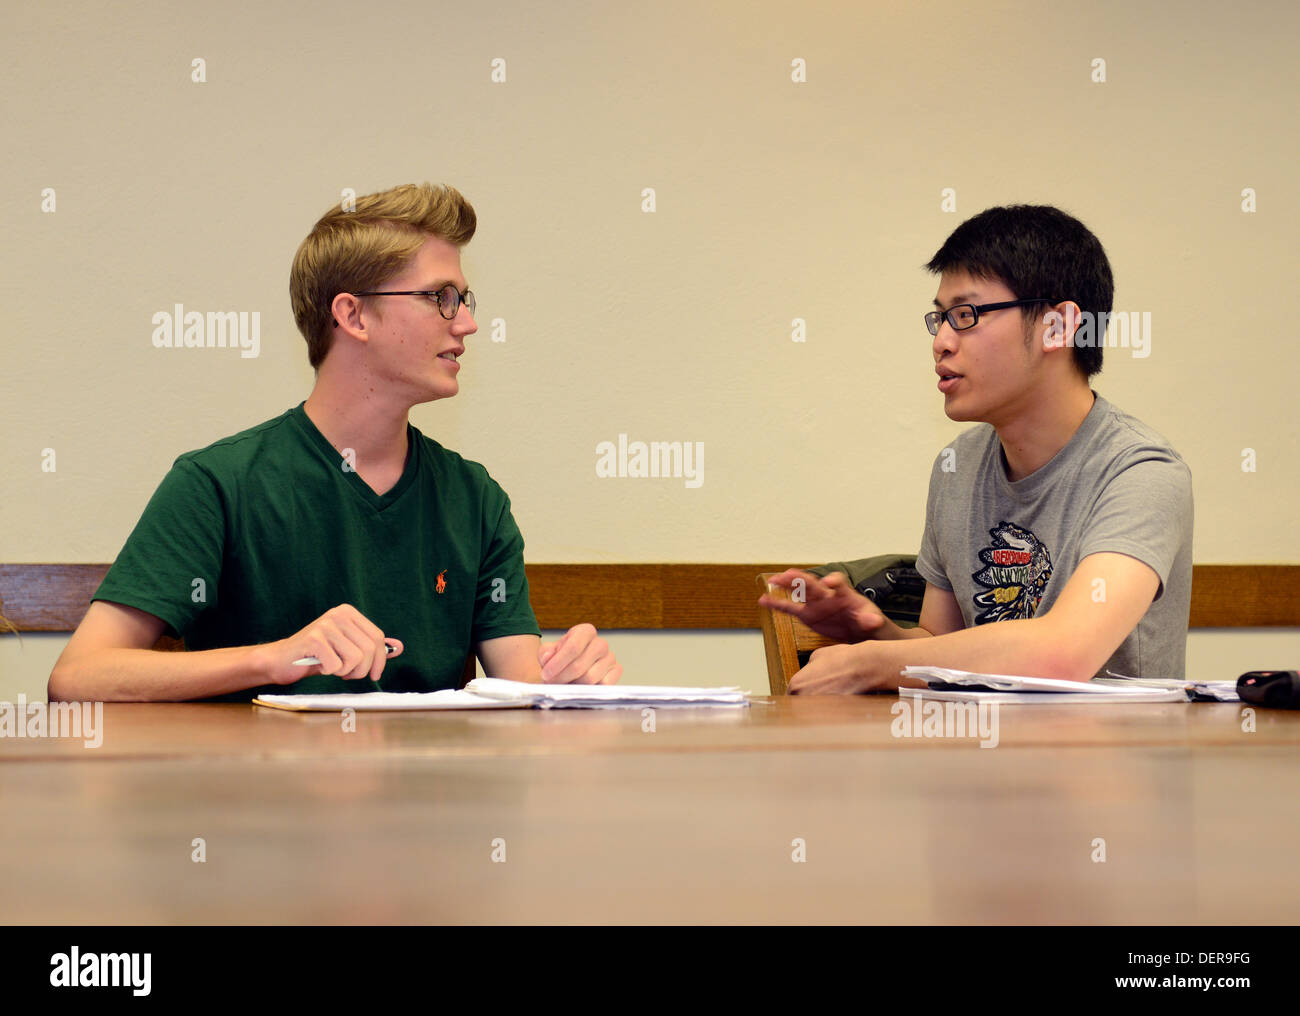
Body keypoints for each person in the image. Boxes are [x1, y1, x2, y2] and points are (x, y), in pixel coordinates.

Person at [49, 183, 621, 702]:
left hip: (435, 809)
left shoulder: (475, 498)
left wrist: (566, 678)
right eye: (440, 297)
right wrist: (273, 658)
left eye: (464, 300)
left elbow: (519, 685)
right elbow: (78, 676)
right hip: (257, 806)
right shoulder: (219, 483)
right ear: (353, 315)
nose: (465, 323)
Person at [761, 205, 1192, 693]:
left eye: (966, 316)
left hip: (1109, 762)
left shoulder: (1141, 471)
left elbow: (1064, 653)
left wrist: (877, 663)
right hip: (979, 759)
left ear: (1059, 326)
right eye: (940, 318)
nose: (941, 342)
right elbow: (940, 644)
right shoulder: (957, 466)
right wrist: (874, 634)